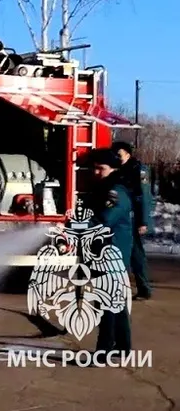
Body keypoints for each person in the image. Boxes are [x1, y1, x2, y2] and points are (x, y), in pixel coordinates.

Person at [87, 148, 133, 357]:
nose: (96, 172)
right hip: (107, 251)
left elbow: (104, 220)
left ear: (113, 168)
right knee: (117, 302)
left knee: (105, 301)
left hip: (111, 252)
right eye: (94, 168)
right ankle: (123, 347)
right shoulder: (104, 188)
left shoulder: (115, 192)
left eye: (101, 168)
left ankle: (103, 350)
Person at [112, 141, 154, 300]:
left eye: (120, 154)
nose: (117, 157)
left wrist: (143, 221)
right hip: (122, 217)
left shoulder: (139, 170)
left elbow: (144, 196)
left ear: (128, 154)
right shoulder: (118, 170)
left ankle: (144, 289)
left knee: (136, 254)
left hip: (134, 218)